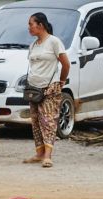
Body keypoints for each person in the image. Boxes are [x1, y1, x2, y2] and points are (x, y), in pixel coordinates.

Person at [24, 12, 69, 168]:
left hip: (50, 88)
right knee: (35, 121)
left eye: (31, 24)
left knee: (48, 121)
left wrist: (61, 82)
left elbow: (66, 64)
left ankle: (48, 156)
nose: (29, 27)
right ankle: (39, 153)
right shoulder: (34, 45)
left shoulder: (54, 42)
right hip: (33, 88)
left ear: (40, 25)